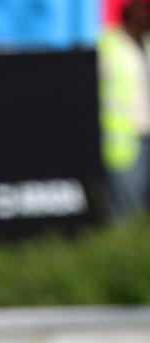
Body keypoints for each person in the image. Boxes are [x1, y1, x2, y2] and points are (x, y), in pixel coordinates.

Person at [98, 0, 150, 219]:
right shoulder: (109, 45)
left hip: (147, 133)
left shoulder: (147, 44)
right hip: (124, 137)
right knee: (126, 203)